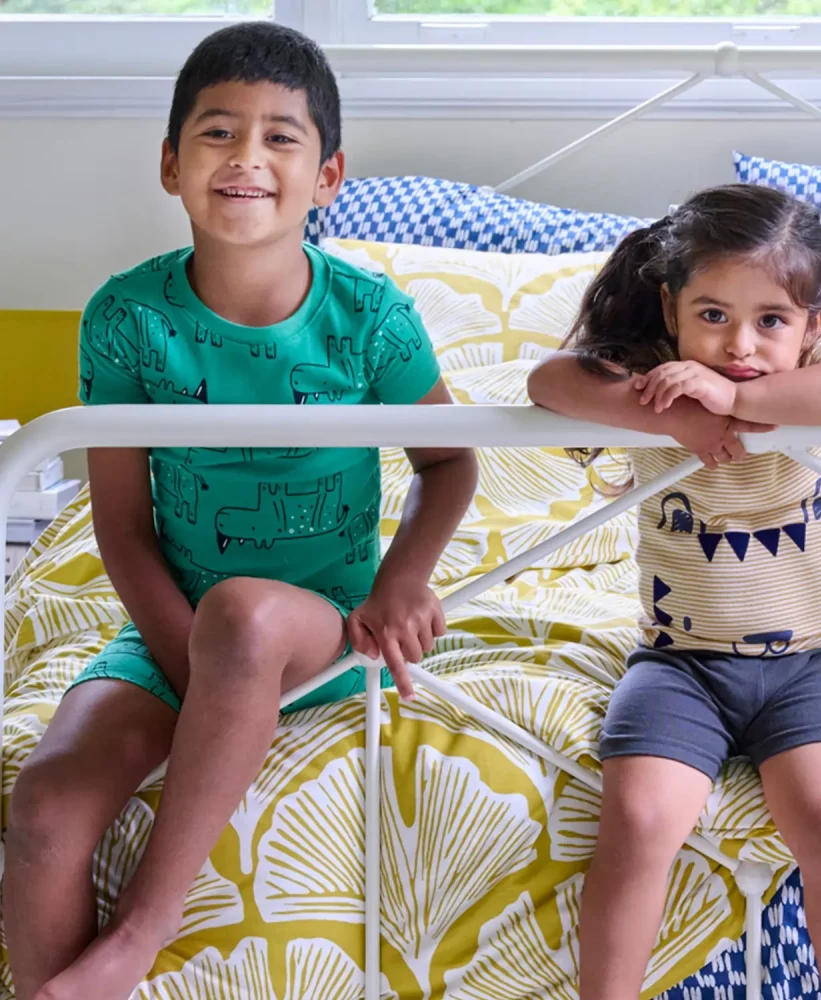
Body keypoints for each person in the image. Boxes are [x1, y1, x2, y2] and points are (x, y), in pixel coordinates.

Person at [4, 22, 478, 1000]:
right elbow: (122, 529)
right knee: (46, 804)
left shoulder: (368, 316)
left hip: (321, 636)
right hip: (171, 636)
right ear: (172, 165)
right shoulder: (128, 318)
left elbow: (450, 462)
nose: (247, 158)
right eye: (217, 134)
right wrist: (195, 678)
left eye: (280, 137)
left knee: (247, 614)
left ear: (329, 174)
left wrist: (400, 581)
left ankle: (140, 932)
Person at [527, 184, 821, 1000]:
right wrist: (667, 419)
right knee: (636, 823)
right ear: (669, 306)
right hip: (680, 665)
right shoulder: (656, 383)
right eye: (712, 315)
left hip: (814, 664)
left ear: (815, 324)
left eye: (771, 320)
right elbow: (548, 382)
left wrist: (737, 403)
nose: (738, 342)